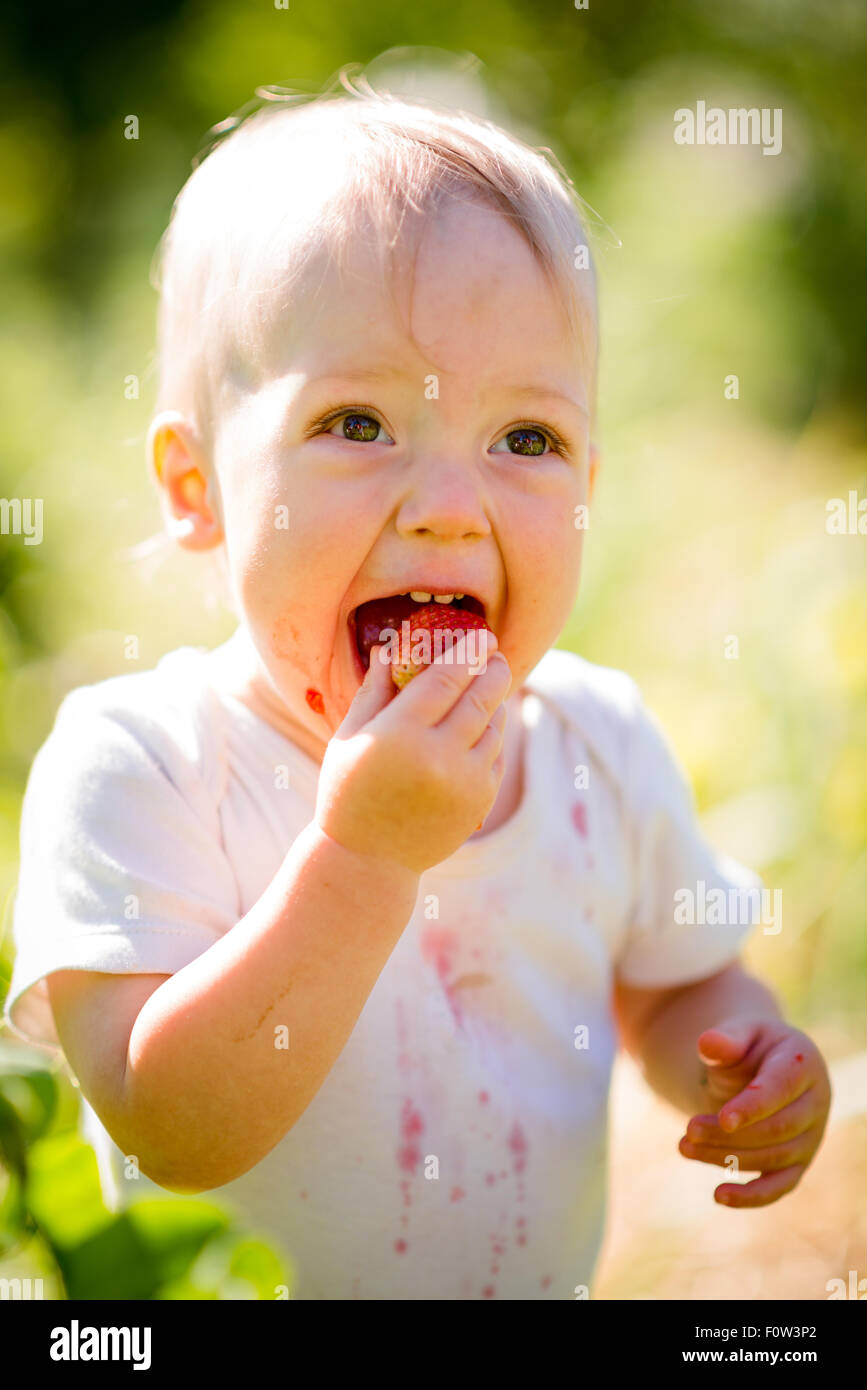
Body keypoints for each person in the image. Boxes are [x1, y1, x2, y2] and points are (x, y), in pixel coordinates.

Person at [2, 84, 832, 1300]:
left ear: (589, 481)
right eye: (358, 420)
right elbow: (161, 1123)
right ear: (197, 486)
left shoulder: (599, 745)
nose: (450, 504)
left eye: (526, 440)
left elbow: (679, 979)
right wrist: (365, 858)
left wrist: (745, 1056)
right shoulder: (146, 761)